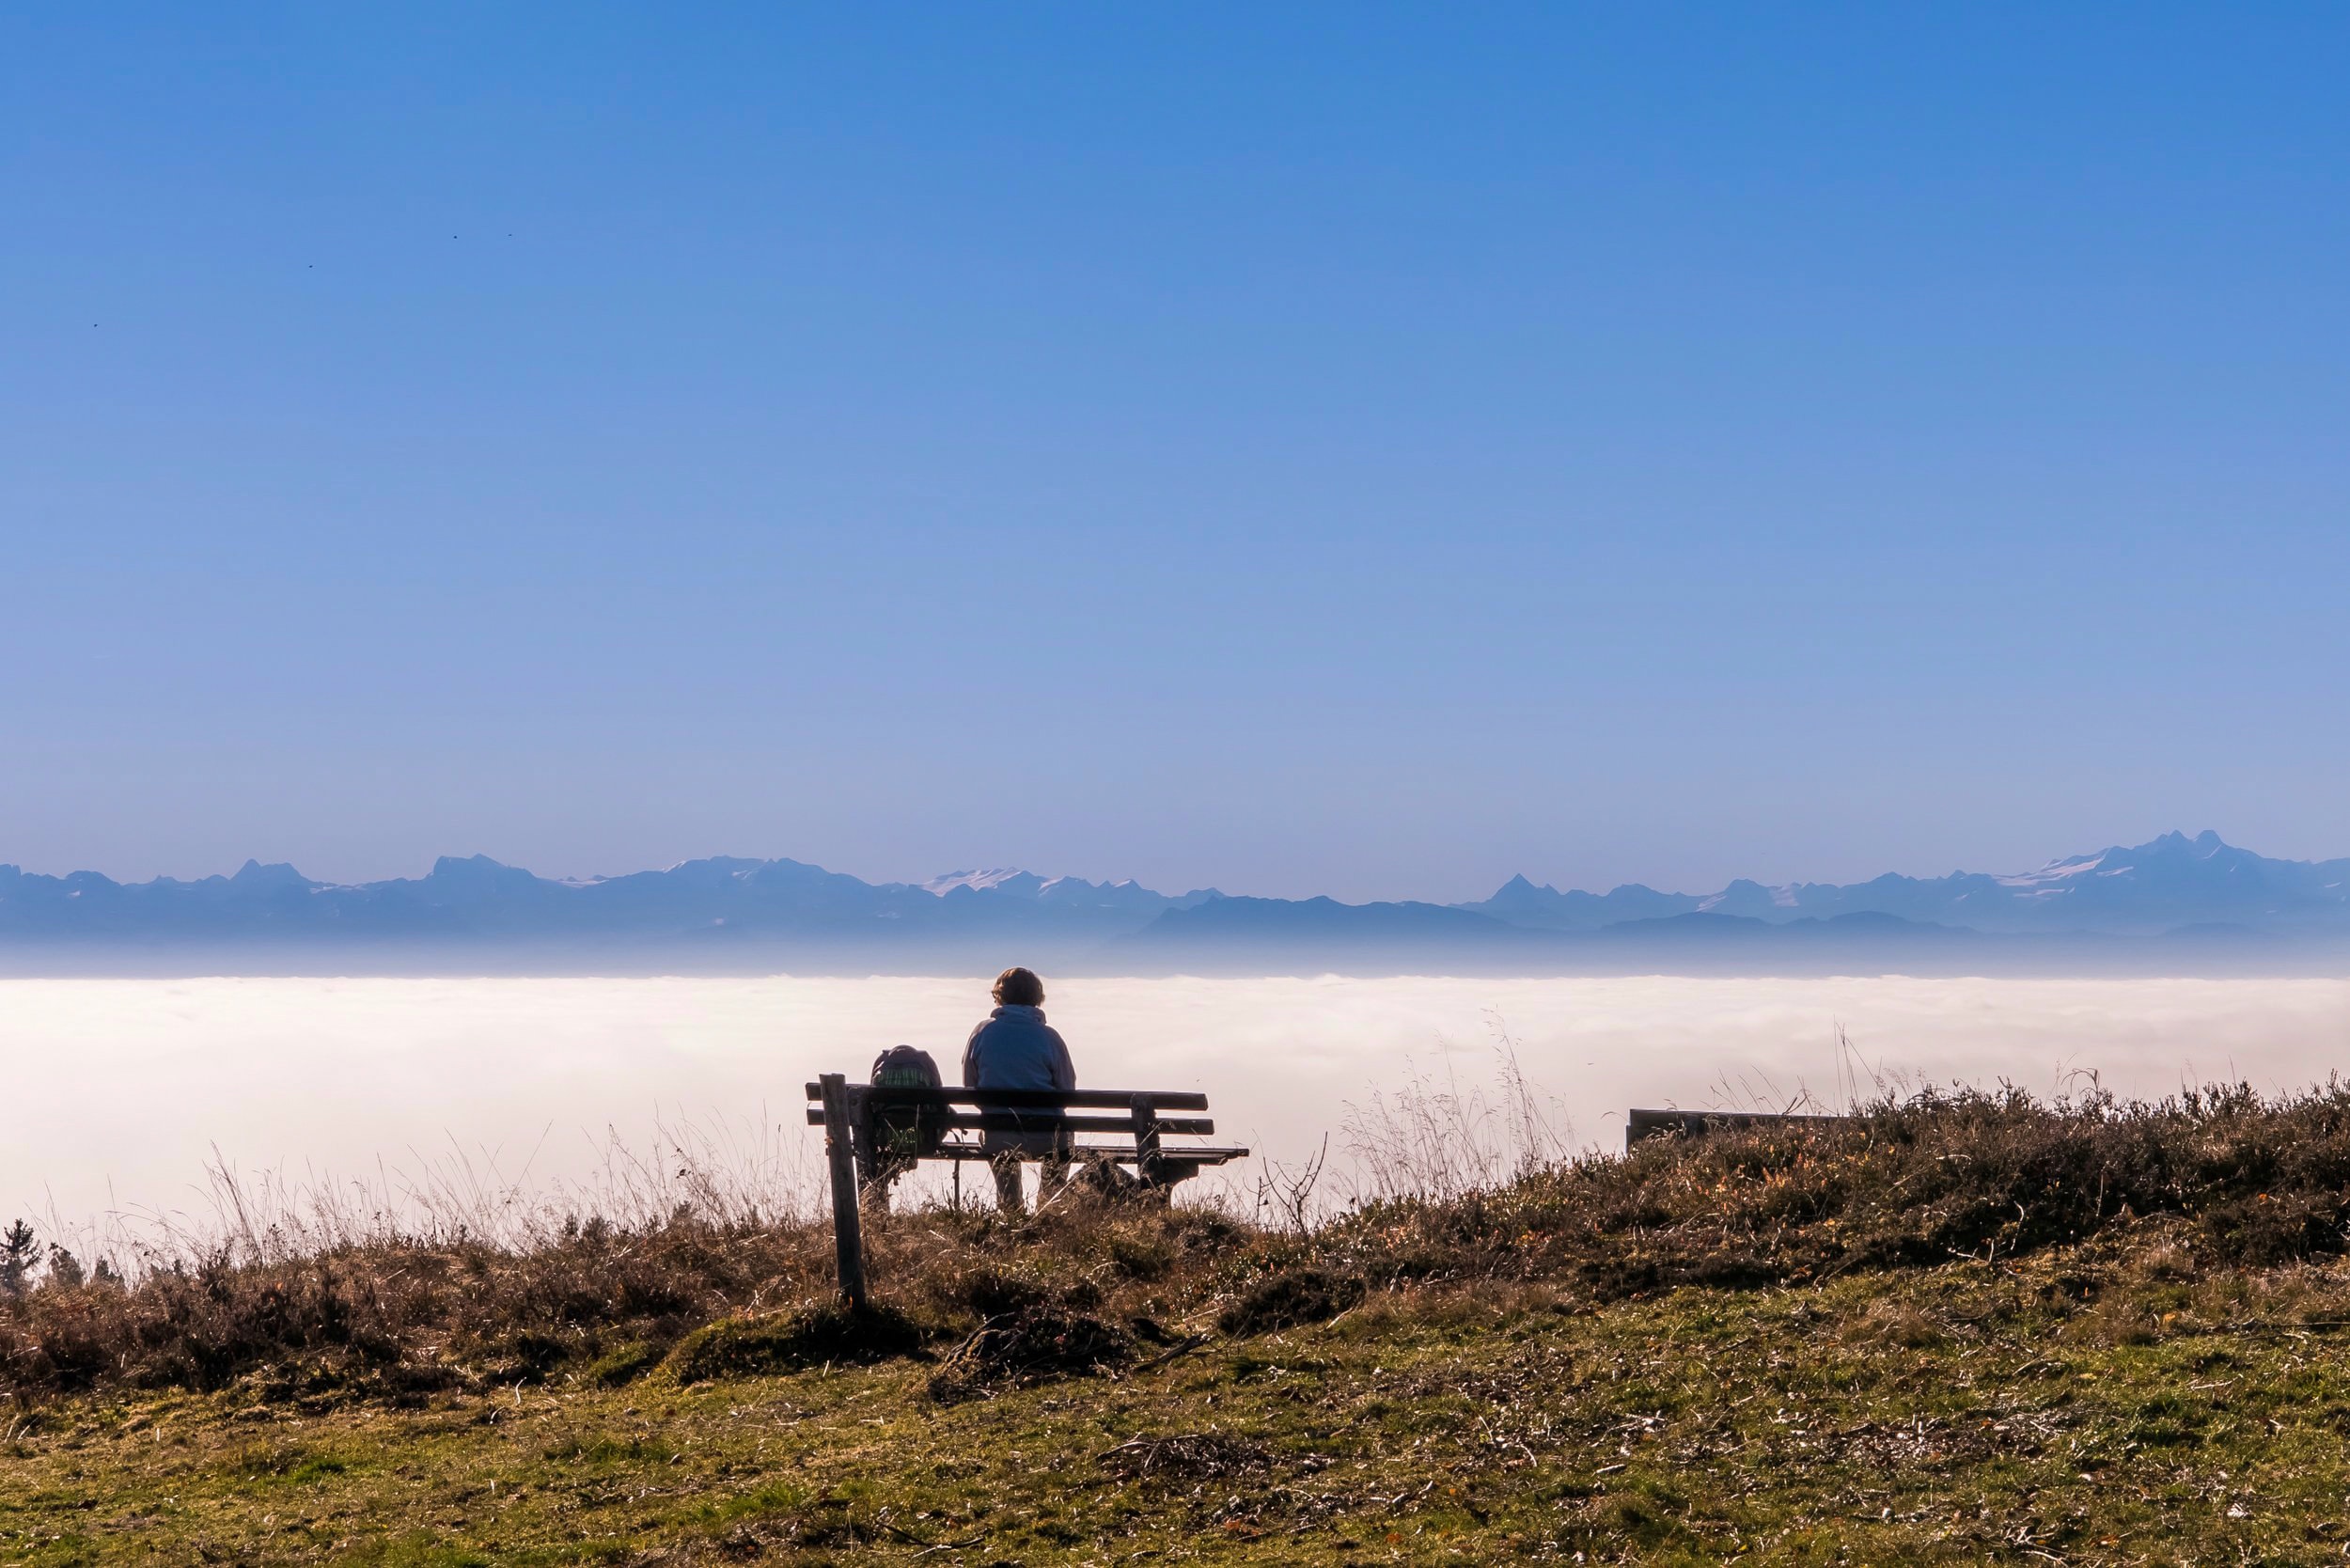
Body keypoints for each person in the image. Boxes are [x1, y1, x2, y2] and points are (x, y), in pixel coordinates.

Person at [962, 965, 1075, 1214]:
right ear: (1037, 998)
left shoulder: (982, 1033)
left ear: (999, 996)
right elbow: (1067, 1090)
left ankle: (1012, 1211)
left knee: (1001, 1147)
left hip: (999, 1134)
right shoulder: (1049, 1038)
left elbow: (971, 1087)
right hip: (1049, 1137)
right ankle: (1049, 1211)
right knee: (1063, 1140)